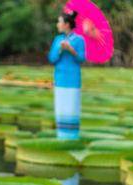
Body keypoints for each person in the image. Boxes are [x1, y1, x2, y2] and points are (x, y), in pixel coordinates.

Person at [48, 10, 86, 140]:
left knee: (72, 109)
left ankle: (72, 137)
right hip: (60, 80)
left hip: (73, 80)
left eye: (59, 22)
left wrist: (71, 50)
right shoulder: (58, 40)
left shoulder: (79, 40)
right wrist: (60, 49)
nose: (57, 25)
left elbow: (81, 59)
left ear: (67, 24)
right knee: (61, 109)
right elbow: (52, 59)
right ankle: (61, 136)